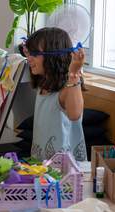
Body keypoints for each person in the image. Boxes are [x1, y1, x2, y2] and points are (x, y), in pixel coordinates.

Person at [24, 27, 87, 161]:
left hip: (66, 170)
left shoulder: (68, 87)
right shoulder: (43, 83)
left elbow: (75, 114)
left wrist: (74, 72)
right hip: (42, 167)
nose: (29, 58)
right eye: (28, 53)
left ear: (53, 56)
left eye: (34, 54)